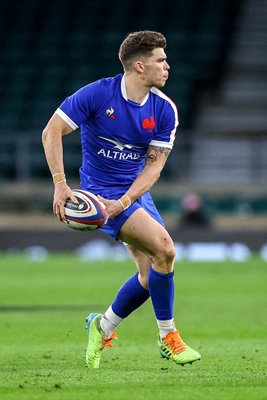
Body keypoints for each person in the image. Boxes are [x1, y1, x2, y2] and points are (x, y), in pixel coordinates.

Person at [42, 30, 201, 369]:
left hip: (133, 194)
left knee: (150, 274)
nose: (167, 67)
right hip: (100, 194)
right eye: (161, 60)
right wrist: (60, 184)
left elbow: (154, 167)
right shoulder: (99, 94)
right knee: (166, 250)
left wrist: (127, 200)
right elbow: (51, 130)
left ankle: (102, 326)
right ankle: (168, 338)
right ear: (140, 66)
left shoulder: (164, 110)